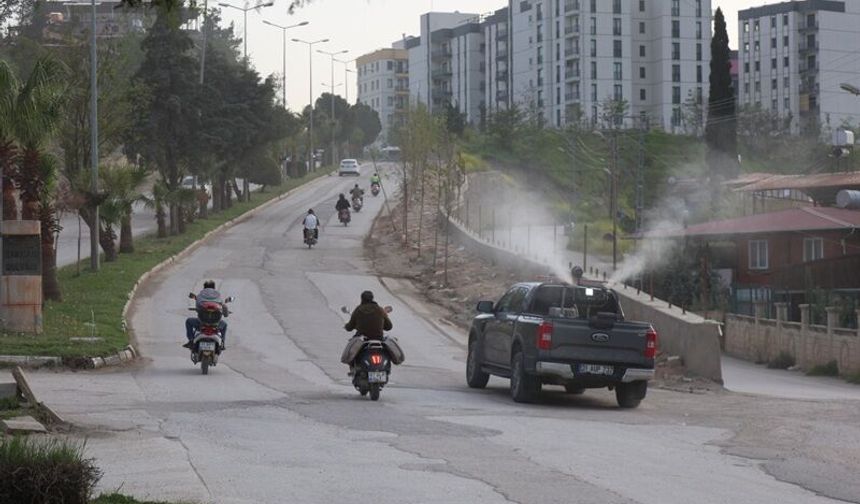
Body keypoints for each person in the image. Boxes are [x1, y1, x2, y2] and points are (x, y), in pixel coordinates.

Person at [184, 280, 229, 349]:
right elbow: (224, 309)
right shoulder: (218, 297)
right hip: (216, 324)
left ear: (204, 287)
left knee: (188, 321)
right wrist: (225, 314)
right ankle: (222, 343)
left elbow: (197, 307)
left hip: (201, 323)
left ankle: (191, 340)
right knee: (224, 325)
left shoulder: (200, 296)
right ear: (214, 288)